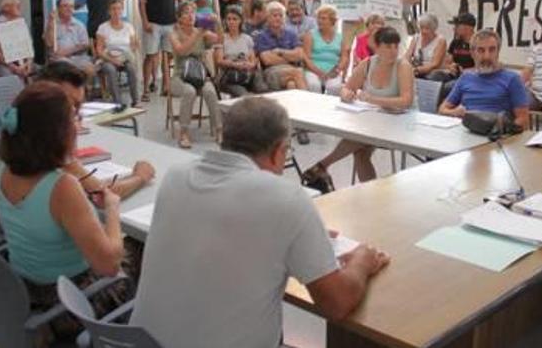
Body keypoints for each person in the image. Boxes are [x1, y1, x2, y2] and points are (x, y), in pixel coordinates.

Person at [132, 97, 389, 347]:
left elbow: (228, 230)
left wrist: (304, 239)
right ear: (279, 151)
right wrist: (362, 262)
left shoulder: (176, 176)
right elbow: (337, 303)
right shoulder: (286, 198)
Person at [0, 82, 129, 343]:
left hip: (24, 290)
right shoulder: (62, 187)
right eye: (74, 117)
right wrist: (113, 209)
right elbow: (108, 266)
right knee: (138, 251)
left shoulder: (3, 170)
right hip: (69, 300)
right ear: (58, 132)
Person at [0, 61, 155, 244]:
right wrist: (140, 177)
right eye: (67, 104)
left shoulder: (13, 129)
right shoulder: (39, 144)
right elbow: (103, 195)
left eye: (78, 107)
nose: (73, 114)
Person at [303, 27, 414, 184]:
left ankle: (324, 164)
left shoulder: (403, 66)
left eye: (396, 46)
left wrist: (373, 99)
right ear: (377, 47)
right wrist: (346, 94)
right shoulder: (367, 64)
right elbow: (347, 87)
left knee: (360, 138)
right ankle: (370, 194)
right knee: (360, 152)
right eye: (388, 46)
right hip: (376, 121)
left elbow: (406, 101)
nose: (394, 51)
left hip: (402, 122)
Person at [438, 29, 528, 128]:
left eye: (492, 50)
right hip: (467, 133)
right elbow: (442, 109)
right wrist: (455, 112)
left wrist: (503, 130)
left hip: (497, 136)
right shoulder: (465, 77)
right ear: (472, 53)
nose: (487, 56)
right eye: (481, 50)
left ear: (498, 52)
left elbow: (523, 120)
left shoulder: (512, 79)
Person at [169, 5, 222, 148]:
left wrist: (217, 23)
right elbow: (181, 51)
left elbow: (219, 40)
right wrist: (198, 34)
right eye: (186, 13)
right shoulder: (174, 34)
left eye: (193, 12)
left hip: (199, 75)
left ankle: (219, 129)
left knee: (210, 92)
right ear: (180, 18)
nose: (191, 15)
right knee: (189, 91)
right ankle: (184, 133)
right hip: (180, 76)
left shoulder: (201, 32)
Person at [139, 0, 184, 102]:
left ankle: (166, 87)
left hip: (171, 23)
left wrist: (181, 20)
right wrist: (145, 21)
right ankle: (145, 89)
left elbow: (181, 0)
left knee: (168, 56)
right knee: (151, 56)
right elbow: (142, 0)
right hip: (153, 23)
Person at [95, 0, 140, 107]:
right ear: (109, 11)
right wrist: (112, 60)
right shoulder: (103, 27)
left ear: (122, 10)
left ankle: (136, 100)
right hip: (107, 58)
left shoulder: (129, 26)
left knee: (131, 68)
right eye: (113, 9)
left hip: (124, 57)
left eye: (119, 9)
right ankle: (117, 102)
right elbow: (99, 50)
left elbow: (133, 46)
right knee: (110, 70)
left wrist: (131, 50)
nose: (116, 12)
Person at [214, 6, 267, 97]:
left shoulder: (247, 38)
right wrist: (235, 64)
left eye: (235, 19)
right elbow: (219, 61)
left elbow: (253, 60)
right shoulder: (221, 38)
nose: (231, 22)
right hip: (229, 75)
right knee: (243, 94)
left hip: (246, 72)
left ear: (240, 21)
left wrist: (249, 65)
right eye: (229, 19)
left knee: (262, 89)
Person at [255, 2, 308, 92]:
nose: (278, 18)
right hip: (271, 72)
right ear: (268, 18)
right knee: (298, 72)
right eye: (275, 15)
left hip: (290, 69)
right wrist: (291, 57)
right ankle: (308, 104)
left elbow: (299, 55)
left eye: (281, 15)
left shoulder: (291, 34)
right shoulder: (262, 36)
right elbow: (267, 60)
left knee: (291, 85)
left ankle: (291, 106)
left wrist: (280, 52)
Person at [426, 13, 476, 102]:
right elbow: (447, 61)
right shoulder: (455, 42)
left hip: (470, 77)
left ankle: (442, 108)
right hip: (454, 74)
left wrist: (464, 71)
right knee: (433, 77)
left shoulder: (478, 43)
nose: (454, 28)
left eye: (457, 26)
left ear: (467, 28)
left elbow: (481, 68)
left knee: (448, 87)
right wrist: (451, 66)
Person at [303, 5, 350, 95]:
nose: (319, 21)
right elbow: (306, 58)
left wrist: (337, 70)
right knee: (314, 85)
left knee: (334, 87)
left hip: (332, 70)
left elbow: (344, 57)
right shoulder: (310, 35)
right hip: (313, 69)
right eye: (318, 18)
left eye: (323, 18)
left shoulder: (340, 37)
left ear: (332, 21)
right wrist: (319, 72)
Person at [44, 0, 95, 78]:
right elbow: (49, 43)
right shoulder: (52, 24)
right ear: (58, 8)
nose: (69, 8)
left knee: (90, 68)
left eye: (71, 6)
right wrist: (50, 23)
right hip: (58, 59)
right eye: (65, 6)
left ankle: (82, 90)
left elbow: (85, 44)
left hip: (77, 57)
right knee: (64, 67)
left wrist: (68, 51)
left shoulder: (79, 25)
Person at [0, 0, 34, 80]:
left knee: (42, 75)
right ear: (6, 8)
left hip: (24, 62)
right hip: (5, 63)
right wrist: (12, 67)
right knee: (11, 79)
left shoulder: (21, 22)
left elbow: (29, 46)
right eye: (16, 5)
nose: (19, 7)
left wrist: (28, 64)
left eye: (19, 4)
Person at [404, 13, 446, 79]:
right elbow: (407, 55)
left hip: (432, 72)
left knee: (430, 77)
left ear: (434, 29)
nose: (423, 31)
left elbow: (435, 64)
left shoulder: (441, 41)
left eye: (427, 28)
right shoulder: (416, 37)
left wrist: (417, 70)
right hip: (415, 69)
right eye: (421, 28)